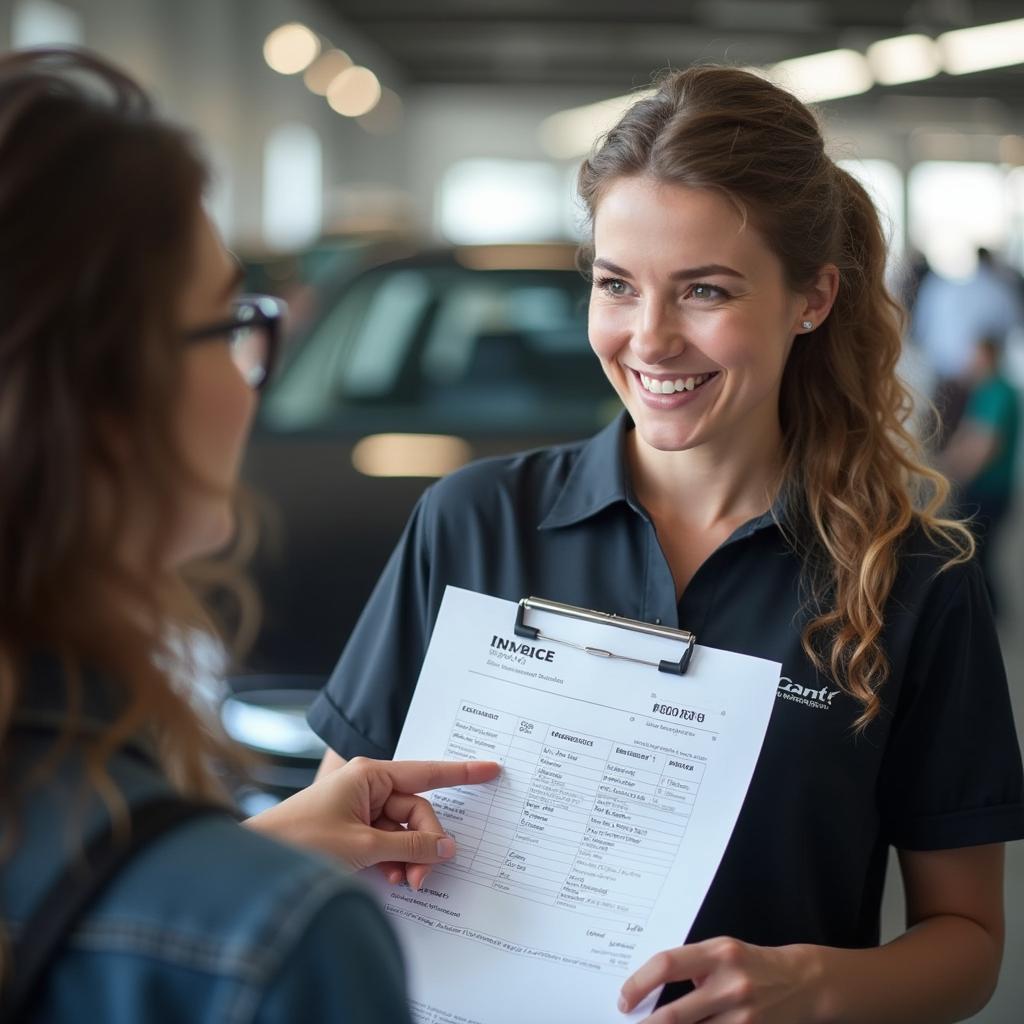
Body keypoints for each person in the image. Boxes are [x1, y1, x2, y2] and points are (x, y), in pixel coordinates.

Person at [310, 66, 1024, 1022]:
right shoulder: (473, 521)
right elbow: (329, 835)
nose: (649, 339)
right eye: (617, 285)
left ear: (812, 298)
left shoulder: (913, 579)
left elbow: (969, 944)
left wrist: (815, 988)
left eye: (705, 291)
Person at [0, 49, 499, 1023]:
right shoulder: (281, 945)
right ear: (112, 397)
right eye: (230, 320)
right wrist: (252, 889)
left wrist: (250, 851)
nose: (249, 371)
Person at [912, 246, 1024, 448]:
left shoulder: (940, 288)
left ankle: (942, 473)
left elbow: (922, 329)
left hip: (948, 375)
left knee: (942, 436)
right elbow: (1015, 327)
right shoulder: (999, 289)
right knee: (973, 436)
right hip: (981, 378)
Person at [940, 335, 1021, 615]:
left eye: (975, 355)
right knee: (974, 555)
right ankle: (984, 610)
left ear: (990, 357)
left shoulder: (999, 392)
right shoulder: (984, 390)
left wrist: (956, 475)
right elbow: (967, 434)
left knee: (975, 556)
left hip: (989, 488)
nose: (970, 361)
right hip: (981, 486)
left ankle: (985, 613)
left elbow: (986, 445)